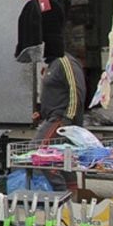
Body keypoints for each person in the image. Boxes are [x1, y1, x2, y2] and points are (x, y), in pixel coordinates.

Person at [33, 54, 86, 191]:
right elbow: (52, 94)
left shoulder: (65, 62)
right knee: (62, 156)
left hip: (60, 118)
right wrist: (41, 112)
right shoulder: (51, 63)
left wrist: (67, 118)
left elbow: (76, 91)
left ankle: (61, 190)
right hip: (52, 116)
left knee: (38, 152)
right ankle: (72, 193)